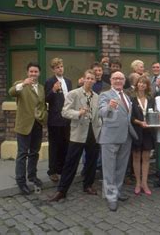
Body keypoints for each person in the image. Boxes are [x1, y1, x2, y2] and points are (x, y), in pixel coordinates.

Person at [49, 70, 101, 202]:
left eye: (92, 79)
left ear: (95, 81)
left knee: (91, 161)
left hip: (93, 132)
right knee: (71, 162)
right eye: (87, 78)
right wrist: (78, 113)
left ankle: (88, 185)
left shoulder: (96, 96)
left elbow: (98, 115)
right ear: (83, 79)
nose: (89, 80)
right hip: (78, 132)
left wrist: (100, 125)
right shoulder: (74, 94)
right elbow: (65, 112)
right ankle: (62, 190)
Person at [98, 71, 138, 211]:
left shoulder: (127, 96)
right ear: (110, 80)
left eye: (121, 78)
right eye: (115, 78)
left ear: (124, 81)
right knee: (109, 169)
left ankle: (118, 191)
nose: (118, 81)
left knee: (121, 167)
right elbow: (101, 111)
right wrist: (109, 107)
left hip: (126, 137)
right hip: (110, 137)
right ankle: (111, 197)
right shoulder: (105, 95)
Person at [8, 62, 48, 195]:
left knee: (34, 152)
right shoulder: (20, 84)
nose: (33, 74)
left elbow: (42, 105)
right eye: (31, 71)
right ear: (27, 72)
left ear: (39, 73)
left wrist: (43, 116)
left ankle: (32, 176)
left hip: (37, 124)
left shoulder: (41, 88)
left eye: (36, 71)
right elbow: (11, 92)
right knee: (22, 154)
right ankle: (21, 181)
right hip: (24, 125)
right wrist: (23, 84)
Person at [45, 58, 72, 183]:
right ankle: (52, 170)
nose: (60, 69)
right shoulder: (50, 81)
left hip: (67, 117)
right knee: (54, 145)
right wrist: (53, 90)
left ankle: (61, 168)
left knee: (65, 143)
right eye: (57, 67)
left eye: (61, 66)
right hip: (55, 119)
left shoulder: (68, 81)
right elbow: (46, 99)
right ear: (53, 69)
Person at [130, 75, 156, 196]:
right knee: (136, 157)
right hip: (136, 131)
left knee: (146, 158)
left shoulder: (151, 99)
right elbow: (129, 117)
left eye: (144, 83)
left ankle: (145, 183)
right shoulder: (131, 99)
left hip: (148, 132)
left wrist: (158, 118)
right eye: (140, 82)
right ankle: (138, 183)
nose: (142, 85)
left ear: (147, 86)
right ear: (137, 85)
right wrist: (140, 122)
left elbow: (154, 114)